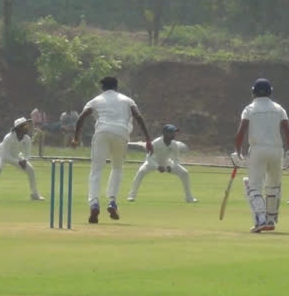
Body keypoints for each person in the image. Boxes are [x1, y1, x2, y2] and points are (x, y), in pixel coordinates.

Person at [71, 76, 153, 223]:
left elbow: (81, 117)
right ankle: (112, 201)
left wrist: (76, 138)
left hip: (102, 131)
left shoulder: (96, 100)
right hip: (121, 132)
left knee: (96, 170)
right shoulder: (127, 100)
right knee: (117, 168)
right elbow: (138, 117)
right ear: (116, 87)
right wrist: (148, 140)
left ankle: (94, 203)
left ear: (102, 87)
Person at [234, 78, 289, 233]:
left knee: (253, 186)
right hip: (277, 150)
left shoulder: (249, 108)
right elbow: (288, 131)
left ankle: (260, 219)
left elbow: (241, 131)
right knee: (273, 187)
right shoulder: (279, 108)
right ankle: (269, 221)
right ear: (270, 92)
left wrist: (237, 151)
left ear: (254, 92)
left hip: (258, 150)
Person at [127, 124, 197, 203]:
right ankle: (131, 196)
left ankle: (189, 198)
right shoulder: (156, 142)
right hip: (152, 163)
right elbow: (148, 158)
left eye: (174, 132)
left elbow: (176, 159)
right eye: (171, 132)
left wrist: (171, 166)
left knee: (185, 173)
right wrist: (157, 167)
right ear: (164, 133)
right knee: (141, 172)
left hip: (166, 163)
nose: (174, 134)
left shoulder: (174, 144)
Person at [0, 117, 44, 201]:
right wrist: (18, 162)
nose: (27, 128)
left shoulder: (27, 139)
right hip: (1, 154)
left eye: (27, 126)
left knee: (31, 170)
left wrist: (25, 160)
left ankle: (35, 194)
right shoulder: (8, 137)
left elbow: (27, 153)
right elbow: (5, 156)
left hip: (15, 155)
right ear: (19, 128)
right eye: (24, 126)